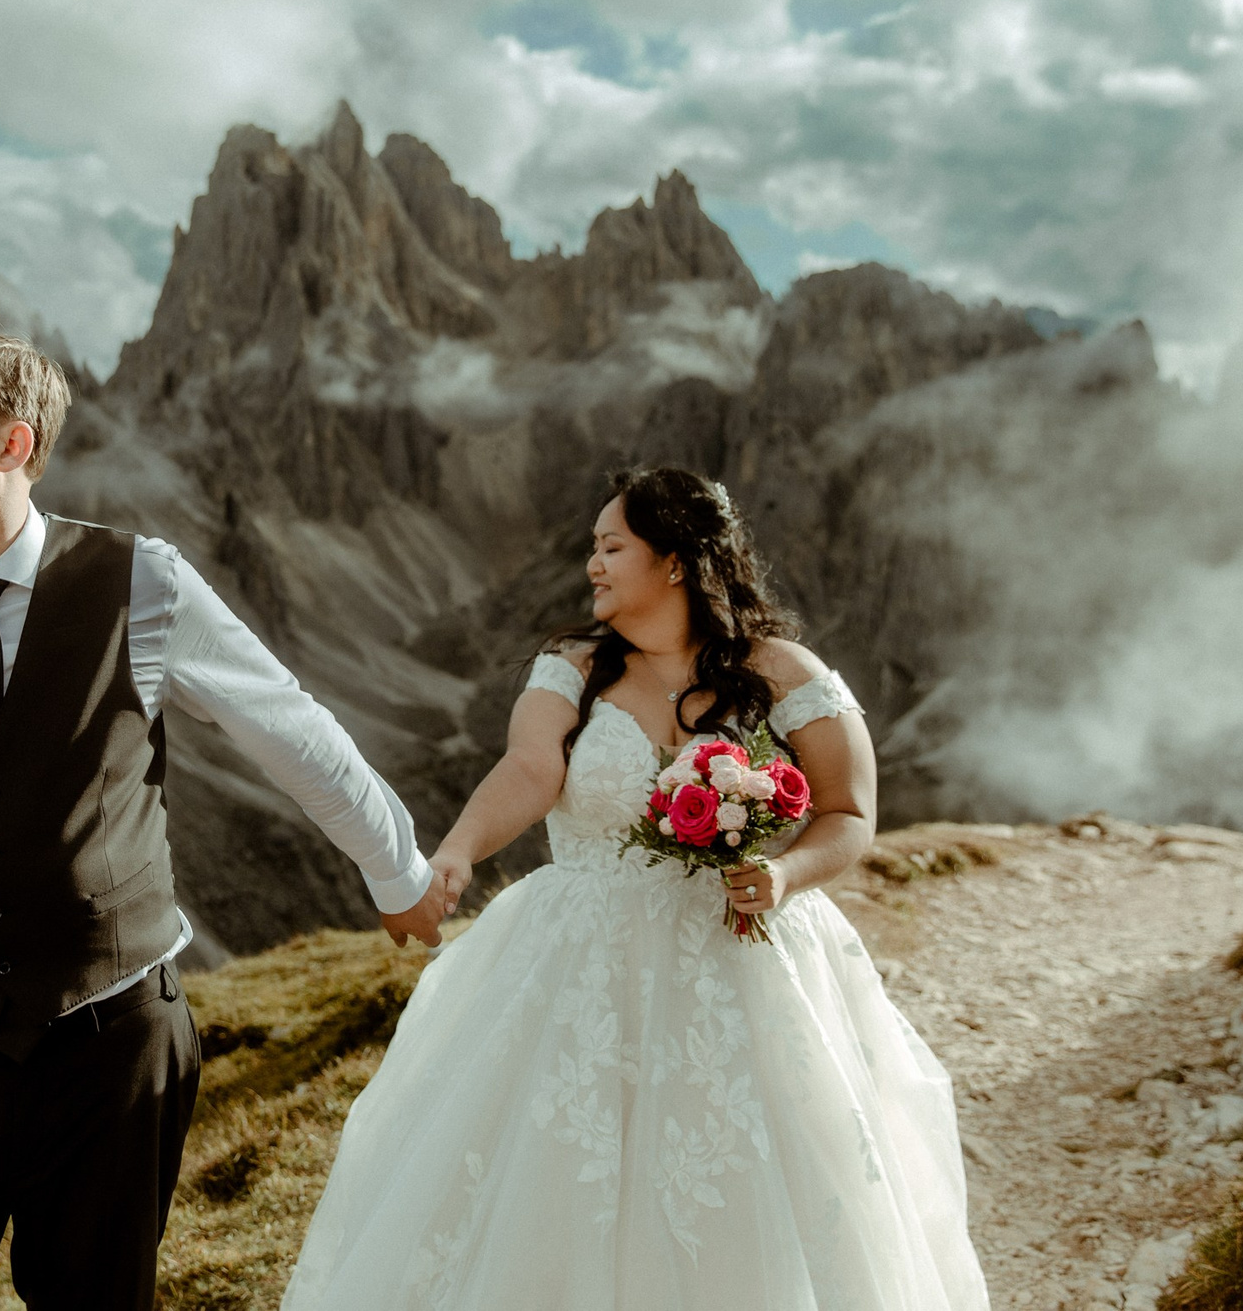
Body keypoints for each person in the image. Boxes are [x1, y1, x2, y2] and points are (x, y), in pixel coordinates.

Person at [0, 327, 453, 1311]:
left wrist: (399, 874)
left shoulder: (145, 582)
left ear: (13, 444)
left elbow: (294, 733)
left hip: (113, 1059)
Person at [280, 465, 991, 1309]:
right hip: (583, 967)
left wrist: (784, 872)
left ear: (675, 561)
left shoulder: (784, 673)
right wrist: (458, 852)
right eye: (593, 547)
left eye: (612, 546)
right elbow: (530, 768)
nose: (593, 563)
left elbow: (849, 810)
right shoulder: (571, 669)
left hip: (742, 966)